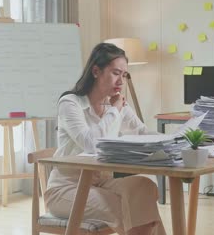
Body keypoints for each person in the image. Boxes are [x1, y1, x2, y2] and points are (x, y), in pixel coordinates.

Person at [44, 42, 166, 235]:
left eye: (124, 75)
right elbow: (92, 144)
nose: (121, 81)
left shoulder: (116, 105)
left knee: (144, 187)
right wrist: (115, 110)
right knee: (127, 208)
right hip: (66, 190)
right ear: (96, 71)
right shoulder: (70, 104)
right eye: (116, 73)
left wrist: (177, 139)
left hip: (101, 183)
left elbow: (142, 132)